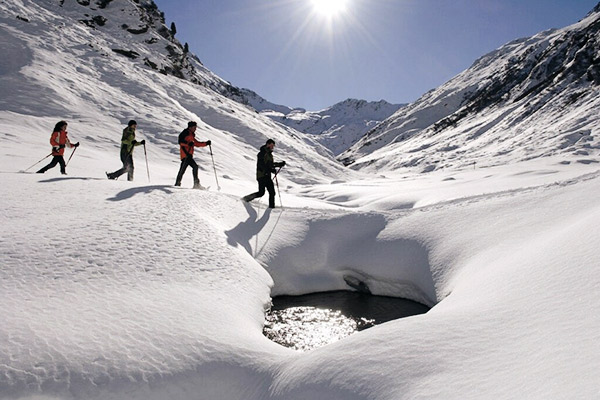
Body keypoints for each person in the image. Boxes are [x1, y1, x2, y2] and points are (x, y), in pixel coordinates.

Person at [242, 139, 285, 208]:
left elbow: (270, 164)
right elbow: (262, 164)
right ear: (268, 144)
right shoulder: (262, 153)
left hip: (267, 176)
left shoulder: (269, 154)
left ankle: (271, 207)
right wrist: (270, 169)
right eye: (272, 145)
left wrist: (279, 164)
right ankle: (246, 199)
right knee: (261, 193)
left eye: (273, 146)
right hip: (262, 176)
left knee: (272, 192)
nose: (273, 147)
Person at [174, 121, 211, 188]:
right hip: (186, 154)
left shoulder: (191, 135)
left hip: (188, 155)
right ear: (190, 127)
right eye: (194, 127)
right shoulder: (185, 133)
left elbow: (196, 143)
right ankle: (196, 184)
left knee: (183, 170)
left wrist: (206, 143)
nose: (195, 129)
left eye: (196, 127)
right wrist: (188, 144)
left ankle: (178, 184)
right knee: (193, 167)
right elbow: (180, 142)